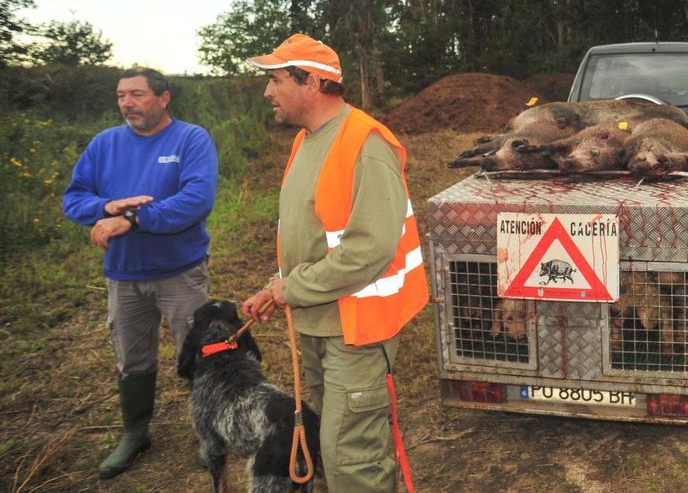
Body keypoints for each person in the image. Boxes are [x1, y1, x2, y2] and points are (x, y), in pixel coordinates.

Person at [241, 33, 429, 492]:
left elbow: (369, 248)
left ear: (313, 83)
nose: (268, 91)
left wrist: (294, 288)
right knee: (331, 441)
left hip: (357, 330)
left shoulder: (365, 143)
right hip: (317, 323)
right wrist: (277, 286)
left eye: (276, 79)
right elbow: (311, 234)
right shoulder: (307, 141)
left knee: (352, 460)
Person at [62, 67, 218, 479]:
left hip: (180, 272)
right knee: (132, 358)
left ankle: (210, 433)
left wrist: (133, 217)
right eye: (120, 96)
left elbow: (196, 200)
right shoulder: (104, 144)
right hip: (124, 275)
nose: (127, 103)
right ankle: (135, 433)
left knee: (197, 353)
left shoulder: (190, 139)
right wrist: (106, 208)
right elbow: (74, 199)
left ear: (163, 99)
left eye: (137, 94)